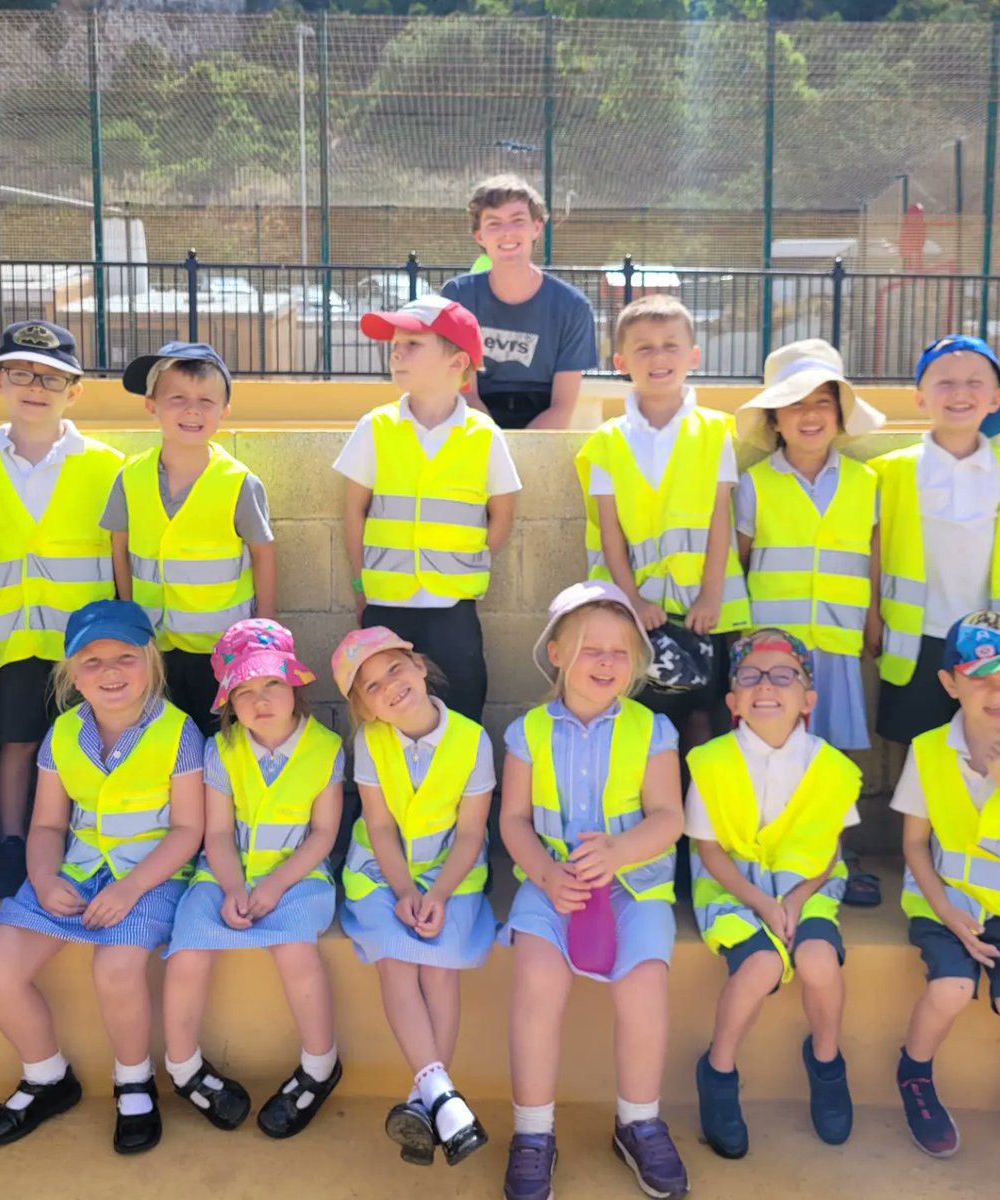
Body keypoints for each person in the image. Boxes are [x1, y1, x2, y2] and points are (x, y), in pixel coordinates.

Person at [499, 580, 688, 1200]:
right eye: (589, 648)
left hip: (634, 888)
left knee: (644, 988)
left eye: (619, 650)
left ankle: (638, 1120)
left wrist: (620, 853)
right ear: (556, 653)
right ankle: (532, 1132)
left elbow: (668, 817)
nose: (606, 662)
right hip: (551, 886)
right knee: (536, 985)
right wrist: (546, 874)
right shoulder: (527, 733)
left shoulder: (652, 729)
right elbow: (514, 822)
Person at [0, 599, 204, 1153]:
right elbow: (46, 825)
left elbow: (188, 830)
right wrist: (42, 880)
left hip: (151, 879)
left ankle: (133, 1081)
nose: (110, 671)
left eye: (124, 657)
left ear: (151, 662)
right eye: (91, 661)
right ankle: (47, 1077)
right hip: (76, 872)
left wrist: (132, 887)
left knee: (115, 967)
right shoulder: (62, 734)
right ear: (69, 671)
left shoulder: (179, 733)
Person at [892, 611, 1000, 1157]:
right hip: (943, 903)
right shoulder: (926, 751)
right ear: (950, 683)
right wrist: (946, 911)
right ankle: (914, 1074)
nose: (997, 691)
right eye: (980, 676)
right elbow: (914, 844)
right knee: (950, 989)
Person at [162, 619, 343, 1139]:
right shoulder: (219, 750)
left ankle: (319, 1064)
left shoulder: (326, 747)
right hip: (224, 873)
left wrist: (274, 886)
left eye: (271, 685)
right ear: (228, 703)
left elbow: (323, 834)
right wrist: (236, 888)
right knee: (188, 949)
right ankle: (184, 1067)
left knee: (295, 951)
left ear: (294, 686)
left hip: (298, 876)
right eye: (244, 692)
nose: (260, 701)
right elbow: (216, 834)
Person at [687, 628, 861, 1158]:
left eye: (783, 675)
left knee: (817, 961)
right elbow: (711, 852)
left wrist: (796, 899)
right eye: (751, 676)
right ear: (733, 701)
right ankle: (718, 1070)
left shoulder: (829, 765)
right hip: (730, 889)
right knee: (760, 967)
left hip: (807, 888)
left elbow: (829, 847)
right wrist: (762, 904)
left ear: (808, 699)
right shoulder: (712, 762)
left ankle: (827, 1061)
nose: (767, 685)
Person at [335, 626, 495, 1168]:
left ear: (420, 666)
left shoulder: (474, 740)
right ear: (367, 709)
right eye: (372, 687)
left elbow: (471, 835)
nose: (390, 687)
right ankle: (443, 1102)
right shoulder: (369, 742)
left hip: (452, 873)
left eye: (395, 670)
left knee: (439, 966)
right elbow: (378, 826)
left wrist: (440, 895)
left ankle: (425, 1104)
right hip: (383, 874)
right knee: (397, 961)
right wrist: (403, 890)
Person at [575, 294, 749, 752]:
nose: (658, 357)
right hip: (635, 612)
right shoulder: (607, 442)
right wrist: (632, 599)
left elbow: (719, 520)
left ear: (693, 355)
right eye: (644, 347)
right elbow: (608, 530)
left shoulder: (716, 431)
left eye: (671, 345)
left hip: (702, 612)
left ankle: (696, 823)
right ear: (620, 361)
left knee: (702, 725)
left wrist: (711, 595)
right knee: (637, 724)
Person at [336, 296, 521, 724]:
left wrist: (462, 562)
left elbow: (503, 516)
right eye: (395, 344)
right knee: (382, 718)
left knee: (460, 712)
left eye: (413, 344)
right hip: (385, 604)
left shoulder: (484, 436)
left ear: (457, 362)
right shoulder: (375, 428)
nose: (396, 352)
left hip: (452, 608)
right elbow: (353, 512)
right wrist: (360, 584)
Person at [0, 321, 123, 898]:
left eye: (51, 377)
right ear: (1, 382)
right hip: (12, 643)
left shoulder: (107, 467)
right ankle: (12, 846)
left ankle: (86, 846)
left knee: (88, 746)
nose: (34, 386)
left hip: (83, 648)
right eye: (20, 372)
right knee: (19, 742)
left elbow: (123, 557)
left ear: (73, 391)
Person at [103, 342, 275, 736]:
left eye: (205, 400)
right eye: (177, 398)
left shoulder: (239, 483)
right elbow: (120, 545)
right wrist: (130, 612)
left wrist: (264, 633)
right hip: (154, 646)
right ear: (152, 405)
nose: (192, 410)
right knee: (164, 740)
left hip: (221, 649)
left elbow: (263, 555)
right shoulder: (130, 477)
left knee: (223, 742)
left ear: (224, 412)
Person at [869, 335, 1000, 746]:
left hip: (995, 640)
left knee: (991, 745)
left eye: (975, 382)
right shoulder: (889, 472)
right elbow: (869, 550)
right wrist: (872, 616)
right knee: (919, 747)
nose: (960, 392)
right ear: (919, 398)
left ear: (996, 399)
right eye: (944, 382)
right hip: (916, 638)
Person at [735, 338, 885, 751]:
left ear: (840, 415)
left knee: (833, 748)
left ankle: (831, 817)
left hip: (839, 638)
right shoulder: (755, 484)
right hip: (772, 648)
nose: (810, 414)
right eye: (795, 403)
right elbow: (739, 561)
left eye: (822, 401)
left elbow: (871, 559)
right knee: (777, 741)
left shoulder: (865, 482)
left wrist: (873, 621)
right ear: (774, 421)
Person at [441, 174, 597, 430]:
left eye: (517, 221)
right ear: (479, 236)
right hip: (475, 424)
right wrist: (495, 449)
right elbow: (465, 394)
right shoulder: (458, 296)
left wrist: (521, 453)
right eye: (494, 223)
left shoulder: (573, 307)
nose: (507, 233)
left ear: (536, 227)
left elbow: (563, 406)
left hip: (543, 423)